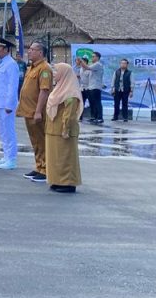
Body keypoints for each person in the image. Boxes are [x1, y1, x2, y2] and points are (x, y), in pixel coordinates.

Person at [16, 42, 51, 182]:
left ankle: (45, 169)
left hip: (37, 111)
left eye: (32, 50)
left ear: (40, 52)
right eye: (29, 49)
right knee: (35, 141)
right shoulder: (31, 68)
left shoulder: (44, 68)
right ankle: (38, 166)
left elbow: (44, 90)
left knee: (42, 141)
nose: (29, 52)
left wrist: (38, 111)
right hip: (28, 110)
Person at [44, 63, 82, 193]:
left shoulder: (70, 92)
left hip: (64, 131)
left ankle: (68, 183)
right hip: (53, 130)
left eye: (56, 71)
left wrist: (66, 129)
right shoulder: (59, 89)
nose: (54, 74)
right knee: (55, 158)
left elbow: (70, 114)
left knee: (66, 158)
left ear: (64, 73)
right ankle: (57, 180)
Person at [0, 38, 19, 171]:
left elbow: (12, 86)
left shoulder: (11, 64)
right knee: (2, 131)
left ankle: (11, 159)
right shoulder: (0, 63)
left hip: (5, 104)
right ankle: (6, 156)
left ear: (6, 49)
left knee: (8, 131)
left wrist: (9, 105)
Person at [85, 52, 104, 124]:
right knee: (92, 103)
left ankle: (100, 117)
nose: (92, 58)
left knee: (97, 102)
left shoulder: (98, 64)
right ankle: (94, 116)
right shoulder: (93, 65)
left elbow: (87, 67)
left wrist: (81, 62)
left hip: (96, 86)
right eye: (92, 56)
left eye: (93, 56)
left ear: (97, 58)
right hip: (91, 86)